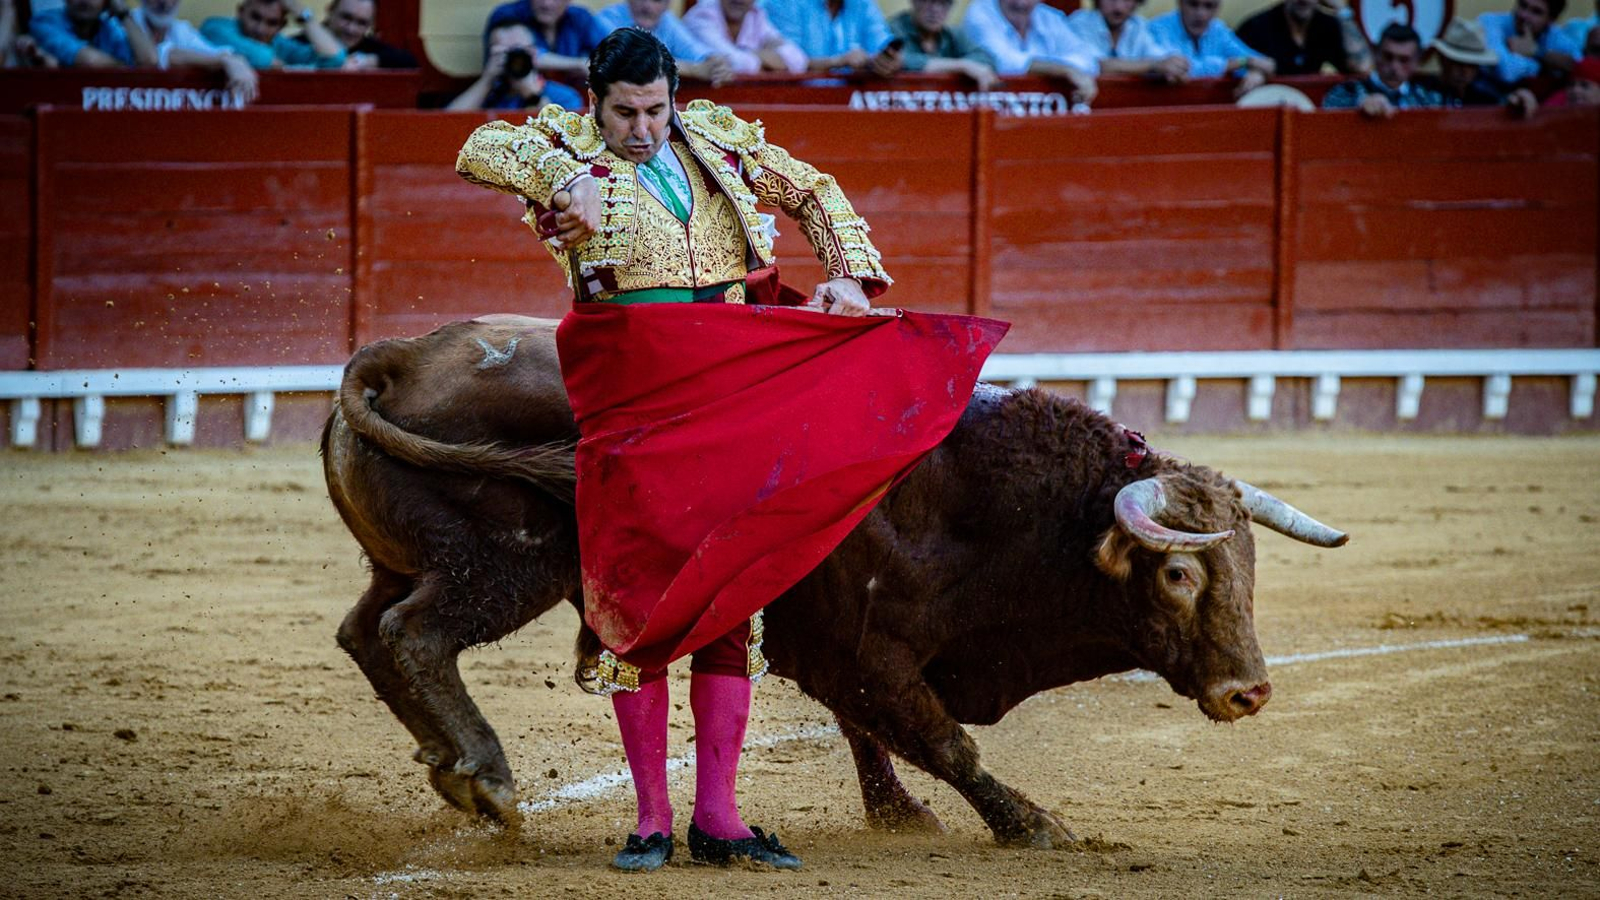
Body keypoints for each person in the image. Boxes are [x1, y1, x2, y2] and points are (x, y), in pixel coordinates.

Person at [456, 26, 1004, 873]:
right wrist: (566, 180)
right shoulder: (560, 146)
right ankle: (649, 822)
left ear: (674, 98)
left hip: (728, 389)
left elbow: (817, 192)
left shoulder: (714, 139)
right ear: (593, 104)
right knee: (635, 600)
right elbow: (481, 146)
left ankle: (719, 818)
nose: (643, 127)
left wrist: (848, 276)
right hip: (632, 400)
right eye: (624, 113)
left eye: (655, 109)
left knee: (728, 594)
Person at [965, 0, 1099, 104]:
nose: (1021, 3)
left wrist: (1067, 70)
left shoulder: (1050, 17)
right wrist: (1065, 70)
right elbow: (1002, 61)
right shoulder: (980, 12)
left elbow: (1088, 61)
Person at [128, 0, 259, 101]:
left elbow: (214, 53)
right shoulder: (125, 23)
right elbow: (160, 56)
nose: (165, 3)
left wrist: (233, 61)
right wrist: (224, 60)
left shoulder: (180, 29)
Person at [1147, 0, 1275, 97]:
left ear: (1218, 7)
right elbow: (1184, 69)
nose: (1200, 14)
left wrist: (1256, 72)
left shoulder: (1217, 29)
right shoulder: (1158, 28)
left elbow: (1265, 63)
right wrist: (1244, 63)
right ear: (1180, 3)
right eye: (1193, 4)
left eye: (1209, 6)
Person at [446, 22, 582, 111]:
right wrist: (487, 80)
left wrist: (533, 96)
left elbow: (565, 138)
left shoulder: (564, 97)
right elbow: (447, 123)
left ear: (534, 54)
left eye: (519, 51)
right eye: (505, 52)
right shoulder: (488, 96)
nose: (514, 59)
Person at [595, 0, 733, 84]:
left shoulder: (667, 22)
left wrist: (717, 64)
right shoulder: (607, 19)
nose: (647, 7)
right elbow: (633, 61)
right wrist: (692, 70)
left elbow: (697, 52)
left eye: (657, 0)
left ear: (668, 4)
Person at [1420, 17, 1538, 115]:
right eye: (1459, 62)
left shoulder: (1482, 96)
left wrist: (1519, 98)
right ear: (1443, 60)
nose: (1464, 72)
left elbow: (1506, 103)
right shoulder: (1421, 90)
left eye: (1471, 65)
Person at [1321, 22, 1442, 116]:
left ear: (1417, 62)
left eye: (1404, 60)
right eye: (1388, 57)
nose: (1394, 67)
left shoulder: (1428, 99)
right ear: (1375, 54)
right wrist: (1360, 105)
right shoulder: (1347, 92)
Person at [766, 0, 903, 75]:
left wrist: (888, 60)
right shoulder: (783, 3)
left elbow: (881, 43)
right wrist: (837, 62)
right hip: (795, 103)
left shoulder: (864, 4)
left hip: (851, 104)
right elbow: (784, 62)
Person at [1067, 0, 1190, 83]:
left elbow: (1161, 58)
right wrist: (1155, 66)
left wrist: (1174, 66)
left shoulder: (1137, 26)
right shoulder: (1081, 22)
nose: (1118, 7)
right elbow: (1095, 65)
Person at [201, 0, 346, 68]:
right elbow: (261, 58)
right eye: (255, 17)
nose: (260, 29)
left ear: (282, 25)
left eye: (271, 23)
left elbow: (335, 58)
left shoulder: (280, 43)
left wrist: (305, 17)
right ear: (240, 11)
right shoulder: (216, 26)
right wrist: (281, 66)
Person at [887, 0, 998, 88]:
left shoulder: (952, 34)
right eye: (928, 1)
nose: (935, 9)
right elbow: (899, 60)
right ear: (914, 1)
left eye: (943, 2)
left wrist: (965, 66)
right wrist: (961, 66)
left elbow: (986, 60)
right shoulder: (893, 29)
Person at [1235, 0, 1360, 75]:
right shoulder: (1256, 27)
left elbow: (1360, 67)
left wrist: (1343, 12)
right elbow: (1233, 65)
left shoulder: (1327, 25)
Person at [681, 0, 806, 74]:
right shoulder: (701, 15)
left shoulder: (755, 15)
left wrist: (752, 56)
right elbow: (734, 63)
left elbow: (798, 59)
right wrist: (766, 59)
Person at [485, 0, 603, 76]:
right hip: (516, 101)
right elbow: (516, 57)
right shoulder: (507, 14)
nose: (547, 4)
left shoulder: (580, 17)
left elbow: (604, 57)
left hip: (572, 98)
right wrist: (578, 64)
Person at [1478, 0, 1580, 87]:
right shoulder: (1491, 22)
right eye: (1523, 5)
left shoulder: (1555, 36)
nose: (1524, 15)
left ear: (1551, 20)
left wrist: (1536, 51)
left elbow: (1579, 66)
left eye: (1536, 12)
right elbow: (1507, 73)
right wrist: (1542, 67)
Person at [30, 0, 159, 67]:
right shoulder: (45, 22)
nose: (85, 0)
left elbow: (150, 60)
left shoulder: (110, 28)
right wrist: (130, 70)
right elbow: (89, 62)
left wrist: (123, 14)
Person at [294, 0, 416, 69]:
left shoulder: (371, 48)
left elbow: (409, 61)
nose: (351, 29)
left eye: (361, 23)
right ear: (330, 11)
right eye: (346, 18)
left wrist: (367, 61)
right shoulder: (299, 44)